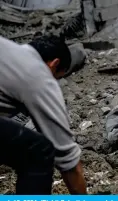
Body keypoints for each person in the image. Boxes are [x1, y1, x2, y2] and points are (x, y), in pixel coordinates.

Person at [0, 35, 87, 194]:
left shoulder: (8, 50)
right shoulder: (37, 73)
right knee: (39, 150)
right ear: (54, 64)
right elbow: (68, 161)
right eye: (57, 78)